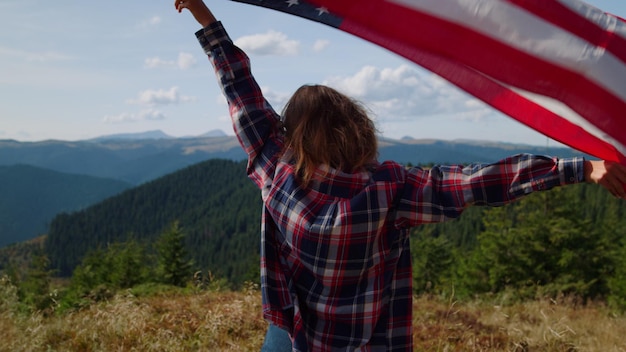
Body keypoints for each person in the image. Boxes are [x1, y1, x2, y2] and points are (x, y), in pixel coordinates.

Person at [175, 1, 626, 350]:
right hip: (369, 342)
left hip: (291, 329)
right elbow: (480, 181)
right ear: (355, 127)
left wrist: (202, 12)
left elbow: (238, 87)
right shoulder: (388, 190)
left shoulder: (276, 167)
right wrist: (581, 168)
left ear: (294, 136)